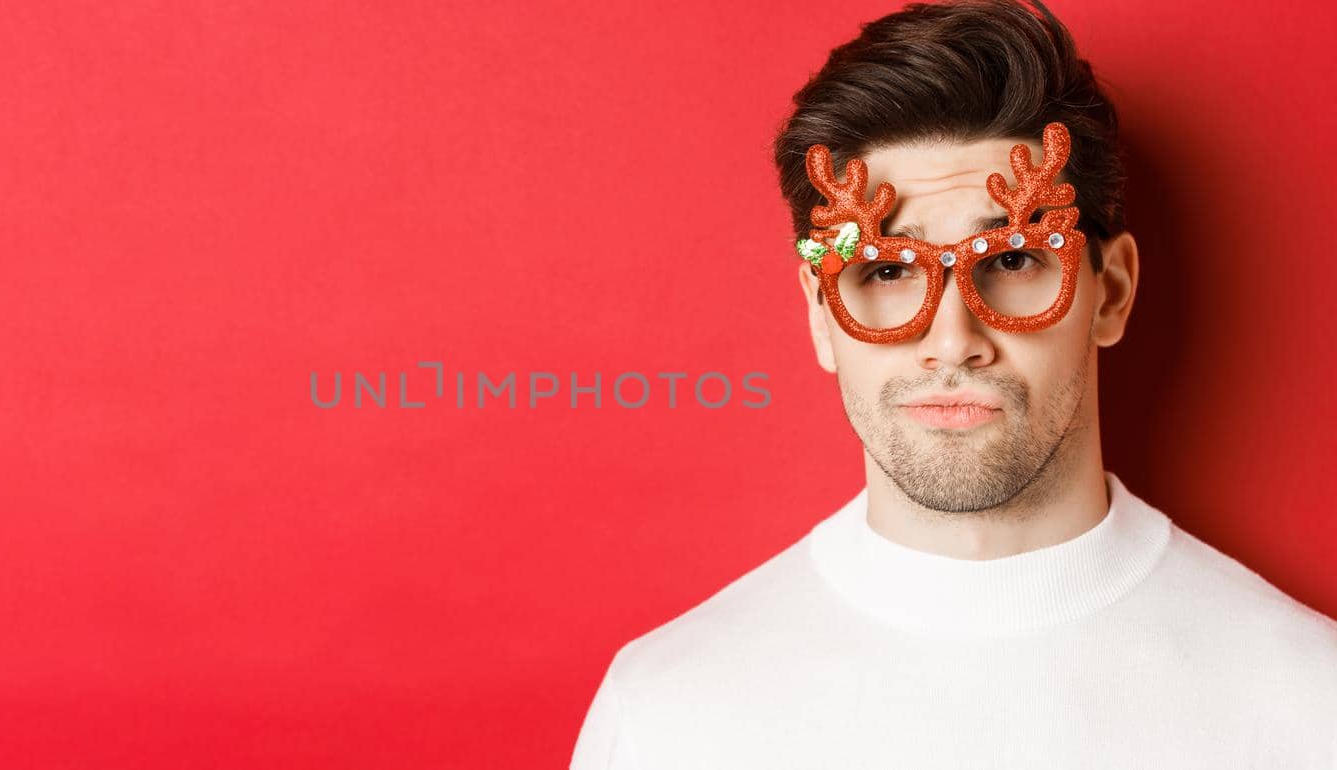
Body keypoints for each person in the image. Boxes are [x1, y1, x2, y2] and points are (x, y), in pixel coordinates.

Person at [569, 1, 1337, 767]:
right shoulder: (668, 715)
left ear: (1111, 292)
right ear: (819, 315)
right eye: (887, 271)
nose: (952, 342)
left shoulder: (1308, 702)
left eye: (1010, 261)